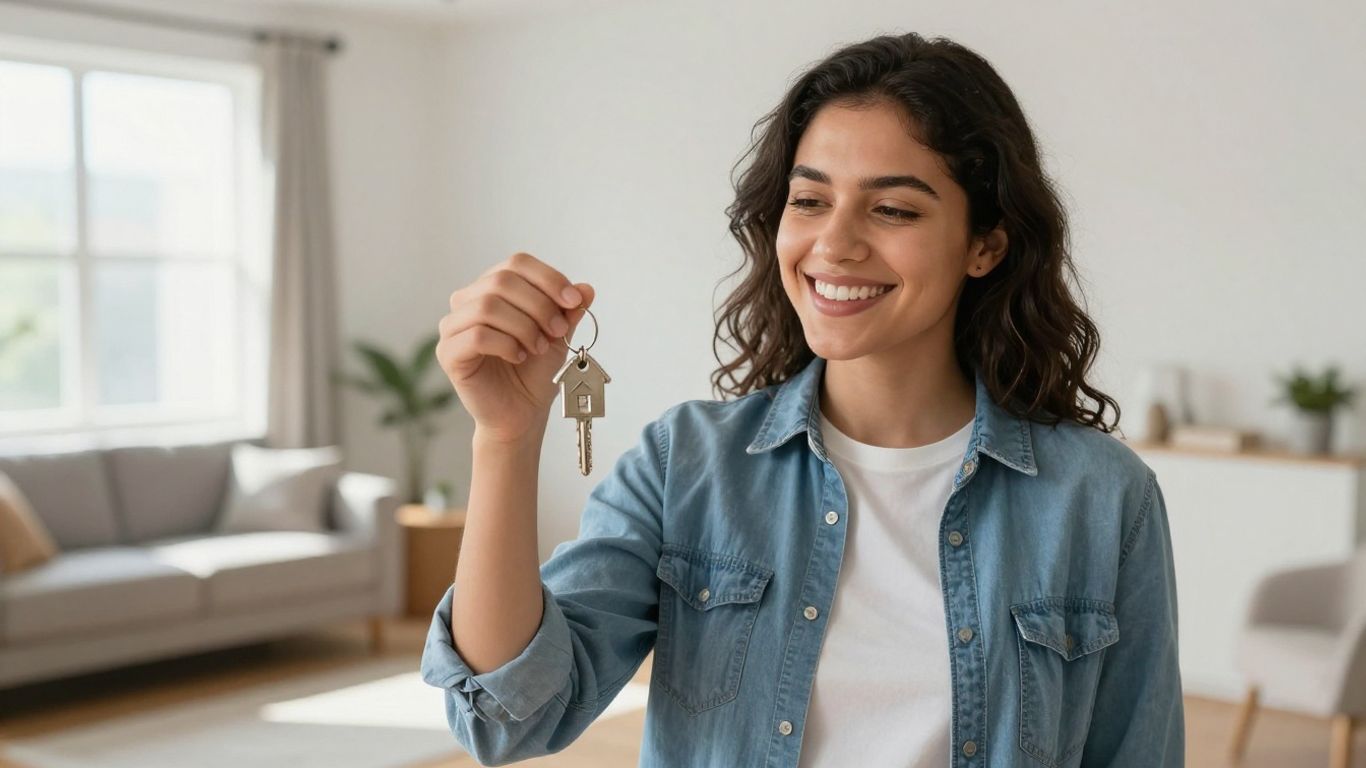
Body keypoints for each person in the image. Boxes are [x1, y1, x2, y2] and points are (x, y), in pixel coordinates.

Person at [423, 31, 1183, 768]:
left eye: (893, 209)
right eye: (810, 200)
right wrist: (506, 438)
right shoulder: (687, 463)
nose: (835, 244)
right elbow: (508, 718)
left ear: (985, 244)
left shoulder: (1104, 498)